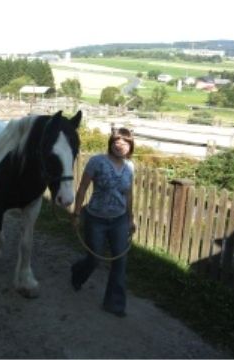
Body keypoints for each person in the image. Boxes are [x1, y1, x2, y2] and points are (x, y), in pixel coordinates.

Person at [71, 127, 136, 318]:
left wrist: (131, 218)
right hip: (96, 219)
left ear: (130, 146)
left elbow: (129, 194)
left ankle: (114, 304)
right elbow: (82, 187)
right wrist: (76, 214)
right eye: (117, 142)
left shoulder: (130, 167)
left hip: (119, 220)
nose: (120, 146)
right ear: (111, 143)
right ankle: (77, 272)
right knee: (95, 258)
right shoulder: (97, 161)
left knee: (120, 261)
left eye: (125, 142)